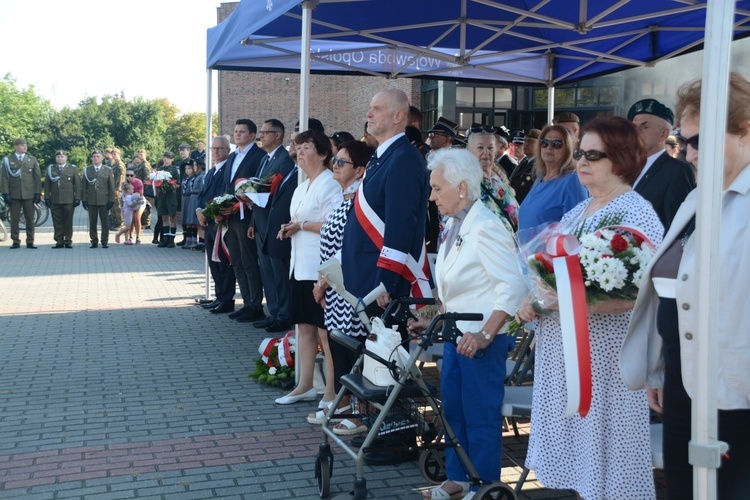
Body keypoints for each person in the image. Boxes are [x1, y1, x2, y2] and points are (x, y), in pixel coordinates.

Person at [518, 116, 663, 500]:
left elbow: (643, 292)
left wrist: (568, 297)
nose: (580, 160)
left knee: (608, 459)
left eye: (592, 155)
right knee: (580, 466)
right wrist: (534, 296)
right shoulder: (577, 211)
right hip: (566, 355)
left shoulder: (636, 212)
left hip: (605, 361)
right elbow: (549, 271)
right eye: (580, 152)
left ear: (620, 158)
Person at [622, 73, 750, 500]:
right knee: (680, 487)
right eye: (683, 139)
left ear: (745, 132)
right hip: (683, 379)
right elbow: (673, 289)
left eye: (697, 141)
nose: (687, 153)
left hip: (734, 392)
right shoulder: (699, 197)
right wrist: (660, 366)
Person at [408, 148, 525, 499]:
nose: (431, 196)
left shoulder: (487, 225)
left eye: (436, 188)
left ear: (461, 187)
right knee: (454, 411)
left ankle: (483, 483)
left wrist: (487, 333)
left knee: (479, 414)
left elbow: (513, 286)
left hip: (481, 339)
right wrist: (429, 318)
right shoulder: (456, 222)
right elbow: (457, 286)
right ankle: (459, 478)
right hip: (456, 335)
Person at [341, 89, 430, 317]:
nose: (368, 114)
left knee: (384, 350)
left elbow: (400, 224)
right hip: (366, 276)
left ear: (398, 116)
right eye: (370, 108)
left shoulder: (404, 158)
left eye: (377, 109)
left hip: (382, 285)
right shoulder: (382, 155)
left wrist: (385, 280)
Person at [275, 129, 343, 405]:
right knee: (304, 326)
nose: (299, 151)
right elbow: (299, 220)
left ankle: (331, 390)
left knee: (325, 331)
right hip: (299, 265)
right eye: (298, 147)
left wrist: (301, 226)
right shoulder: (302, 186)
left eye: (306, 147)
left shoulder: (330, 183)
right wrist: (290, 228)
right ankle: (305, 385)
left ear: (324, 153)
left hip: (320, 268)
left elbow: (335, 225)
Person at [308, 140, 373, 429]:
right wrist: (321, 280)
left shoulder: (362, 199)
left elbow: (350, 247)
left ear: (360, 170)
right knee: (337, 348)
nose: (335, 165)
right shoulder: (344, 195)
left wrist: (324, 280)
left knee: (352, 350)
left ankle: (359, 412)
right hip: (334, 287)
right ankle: (343, 404)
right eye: (336, 160)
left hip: (349, 286)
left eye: (341, 162)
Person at [251, 119, 295, 332]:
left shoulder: (284, 160)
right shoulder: (265, 159)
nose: (261, 136)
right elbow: (257, 189)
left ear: (278, 135)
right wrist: (252, 222)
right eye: (260, 132)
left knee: (278, 273)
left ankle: (283, 315)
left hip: (274, 223)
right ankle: (274, 311)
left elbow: (279, 195)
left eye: (265, 132)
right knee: (267, 271)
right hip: (260, 223)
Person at [628, 98, 696, 233]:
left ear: (663, 134)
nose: (636, 133)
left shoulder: (677, 172)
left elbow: (678, 229)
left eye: (644, 127)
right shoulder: (623, 168)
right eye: (633, 127)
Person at [222, 119, 266, 321]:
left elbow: (260, 186)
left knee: (249, 261)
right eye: (236, 131)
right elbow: (227, 186)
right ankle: (247, 303)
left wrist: (251, 216)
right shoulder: (232, 157)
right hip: (230, 215)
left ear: (252, 135)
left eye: (242, 131)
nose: (238, 134)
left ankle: (256, 305)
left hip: (247, 215)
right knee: (237, 261)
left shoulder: (259, 156)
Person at [517, 124, 588, 230]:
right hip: (525, 246)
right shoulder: (541, 178)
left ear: (568, 149)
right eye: (544, 143)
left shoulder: (572, 181)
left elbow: (577, 228)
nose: (549, 147)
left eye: (556, 144)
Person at [196, 136, 237, 313]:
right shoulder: (211, 171)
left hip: (221, 222)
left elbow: (224, 194)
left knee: (223, 261)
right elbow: (202, 195)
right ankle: (219, 296)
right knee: (213, 262)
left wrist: (212, 212)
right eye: (214, 149)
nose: (217, 152)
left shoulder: (228, 170)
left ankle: (227, 300)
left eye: (221, 148)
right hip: (208, 223)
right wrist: (199, 210)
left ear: (228, 151)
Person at [466, 127, 519, 233]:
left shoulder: (500, 176)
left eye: (490, 148)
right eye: (480, 148)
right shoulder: (465, 180)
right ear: (469, 150)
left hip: (508, 244)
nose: (486, 152)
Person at [1, 138, 42, 249]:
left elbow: (37, 178)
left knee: (30, 218)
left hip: (29, 194)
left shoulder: (32, 159)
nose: (25, 147)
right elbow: (4, 178)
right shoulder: (8, 160)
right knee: (14, 218)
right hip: (14, 194)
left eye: (25, 145)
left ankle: (30, 241)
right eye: (22, 145)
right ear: (16, 146)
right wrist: (5, 193)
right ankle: (15, 240)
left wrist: (38, 193)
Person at [44, 150, 81, 249]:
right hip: (55, 199)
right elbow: (47, 184)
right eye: (58, 157)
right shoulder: (51, 168)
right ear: (56, 158)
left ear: (66, 158)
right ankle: (59, 241)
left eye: (62, 156)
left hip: (68, 199)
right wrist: (47, 197)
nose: (60, 158)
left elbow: (77, 185)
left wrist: (77, 198)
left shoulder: (72, 169)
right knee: (57, 221)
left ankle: (68, 240)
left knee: (68, 221)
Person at [81, 150, 115, 249]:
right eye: (94, 156)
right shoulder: (87, 170)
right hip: (91, 200)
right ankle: (94, 240)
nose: (96, 158)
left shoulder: (108, 170)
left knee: (105, 222)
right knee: (92, 222)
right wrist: (84, 199)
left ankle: (104, 241)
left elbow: (111, 186)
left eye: (98, 156)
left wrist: (111, 199)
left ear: (102, 158)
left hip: (104, 199)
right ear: (91, 158)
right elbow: (84, 186)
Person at [155, 151, 180, 248]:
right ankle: (165, 238)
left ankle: (171, 240)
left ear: (172, 159)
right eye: (165, 157)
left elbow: (178, 184)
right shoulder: (160, 169)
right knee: (164, 217)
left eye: (168, 157)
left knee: (172, 217)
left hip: (170, 196)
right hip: (162, 196)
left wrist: (171, 185)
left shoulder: (174, 170)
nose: (166, 159)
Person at [509, 128, 541, 204]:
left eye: (531, 141)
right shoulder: (524, 162)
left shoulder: (540, 166)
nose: (526, 144)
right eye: (525, 141)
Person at [184, 159, 205, 250]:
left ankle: (202, 241)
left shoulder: (202, 175)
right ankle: (198, 241)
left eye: (195, 165)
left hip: (197, 197)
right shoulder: (197, 176)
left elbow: (202, 188)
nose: (194, 167)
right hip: (193, 197)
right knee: (195, 222)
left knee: (198, 221)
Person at [106, 147, 126, 230]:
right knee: (113, 206)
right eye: (113, 154)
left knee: (117, 206)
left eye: (115, 154)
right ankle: (115, 222)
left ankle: (120, 223)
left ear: (119, 154)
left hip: (117, 188)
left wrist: (118, 189)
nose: (113, 156)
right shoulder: (114, 164)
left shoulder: (120, 164)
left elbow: (121, 178)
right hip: (112, 187)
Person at [123, 168, 144, 243]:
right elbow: (124, 196)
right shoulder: (125, 184)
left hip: (139, 201)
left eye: (131, 175)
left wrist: (135, 200)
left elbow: (141, 195)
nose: (129, 177)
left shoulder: (138, 182)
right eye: (127, 175)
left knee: (137, 218)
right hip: (129, 202)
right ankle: (130, 236)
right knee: (130, 219)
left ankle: (138, 237)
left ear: (134, 175)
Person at [179, 159, 197, 249]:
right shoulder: (185, 179)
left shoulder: (194, 178)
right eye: (186, 169)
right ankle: (188, 239)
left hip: (191, 198)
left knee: (192, 221)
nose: (187, 170)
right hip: (185, 199)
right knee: (186, 221)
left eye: (189, 168)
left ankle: (194, 240)